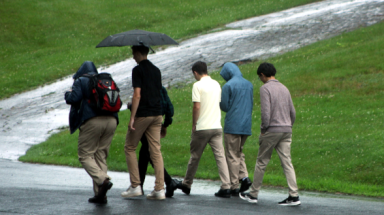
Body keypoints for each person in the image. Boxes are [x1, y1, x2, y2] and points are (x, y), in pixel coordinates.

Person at [239, 62, 300, 206]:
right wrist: (288, 125)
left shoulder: (265, 88)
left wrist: (263, 130)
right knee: (287, 163)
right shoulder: (284, 88)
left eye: (260, 77)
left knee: (261, 162)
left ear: (262, 75)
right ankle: (294, 195)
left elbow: (265, 113)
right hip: (286, 130)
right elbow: (293, 112)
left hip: (272, 130)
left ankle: (253, 194)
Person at [65, 61, 119, 204]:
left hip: (92, 121)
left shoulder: (81, 80)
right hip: (112, 120)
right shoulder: (106, 80)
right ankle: (100, 195)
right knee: (100, 155)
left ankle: (103, 180)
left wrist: (67, 94)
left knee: (85, 155)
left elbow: (73, 99)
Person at [178, 61, 231, 198]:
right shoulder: (216, 84)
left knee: (195, 156)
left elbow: (196, 107)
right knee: (220, 157)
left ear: (196, 72)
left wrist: (194, 124)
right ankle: (226, 186)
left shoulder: (197, 85)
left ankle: (187, 184)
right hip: (216, 127)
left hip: (202, 127)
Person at [121, 44, 166, 200]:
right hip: (157, 114)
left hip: (143, 114)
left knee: (129, 146)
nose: (133, 56)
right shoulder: (156, 70)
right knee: (156, 151)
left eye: (134, 53)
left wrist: (132, 116)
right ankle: (160, 189)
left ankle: (135, 185)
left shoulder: (137, 70)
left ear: (140, 53)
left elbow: (137, 95)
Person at [127, 86, 181, 198]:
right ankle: (140, 184)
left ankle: (168, 182)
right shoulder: (160, 88)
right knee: (146, 151)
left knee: (149, 153)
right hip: (157, 122)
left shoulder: (143, 89)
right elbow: (169, 108)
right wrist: (165, 124)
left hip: (144, 122)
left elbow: (140, 107)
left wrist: (130, 106)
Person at [219, 62, 253, 197]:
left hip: (233, 124)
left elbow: (225, 107)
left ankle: (234, 185)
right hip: (246, 125)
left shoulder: (228, 85)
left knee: (232, 155)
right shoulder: (249, 84)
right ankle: (244, 177)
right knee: (239, 152)